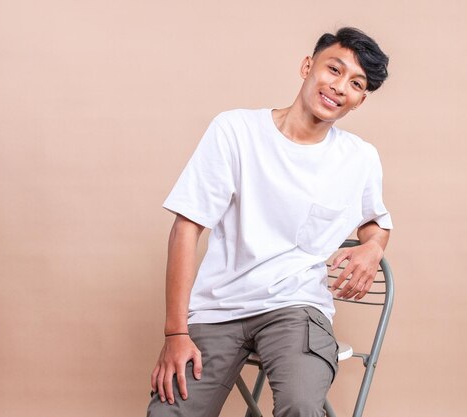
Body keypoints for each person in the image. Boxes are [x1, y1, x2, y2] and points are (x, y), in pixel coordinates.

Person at [147, 27, 393, 417]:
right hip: (218, 309)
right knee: (168, 414)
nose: (339, 86)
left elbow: (376, 221)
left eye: (356, 83)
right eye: (334, 69)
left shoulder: (359, 158)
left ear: (360, 100)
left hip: (295, 309)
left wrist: (373, 246)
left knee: (299, 407)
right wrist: (176, 333)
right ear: (307, 66)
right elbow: (186, 228)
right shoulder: (235, 131)